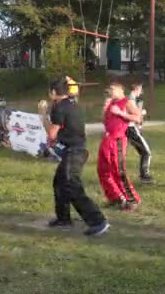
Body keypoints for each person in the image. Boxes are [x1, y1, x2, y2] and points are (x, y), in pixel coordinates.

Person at [37, 78, 110, 236]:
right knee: (60, 183)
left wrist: (42, 115)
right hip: (78, 150)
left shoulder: (59, 108)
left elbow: (51, 133)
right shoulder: (73, 105)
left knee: (72, 186)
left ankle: (98, 221)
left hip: (74, 152)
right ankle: (63, 218)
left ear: (54, 93)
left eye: (50, 92)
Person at [97, 79, 142, 211]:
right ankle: (115, 197)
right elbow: (105, 122)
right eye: (109, 89)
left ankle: (132, 199)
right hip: (107, 139)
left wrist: (121, 113)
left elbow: (138, 118)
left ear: (120, 89)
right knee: (103, 170)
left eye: (112, 89)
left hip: (117, 140)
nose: (110, 92)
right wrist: (105, 110)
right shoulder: (111, 102)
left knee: (119, 170)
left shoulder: (126, 102)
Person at [125, 81, 154, 184]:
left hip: (132, 129)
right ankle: (144, 176)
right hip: (131, 129)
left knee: (144, 152)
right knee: (147, 152)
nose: (141, 91)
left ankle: (144, 175)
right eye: (140, 89)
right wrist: (142, 112)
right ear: (137, 88)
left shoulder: (133, 99)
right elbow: (136, 114)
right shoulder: (130, 99)